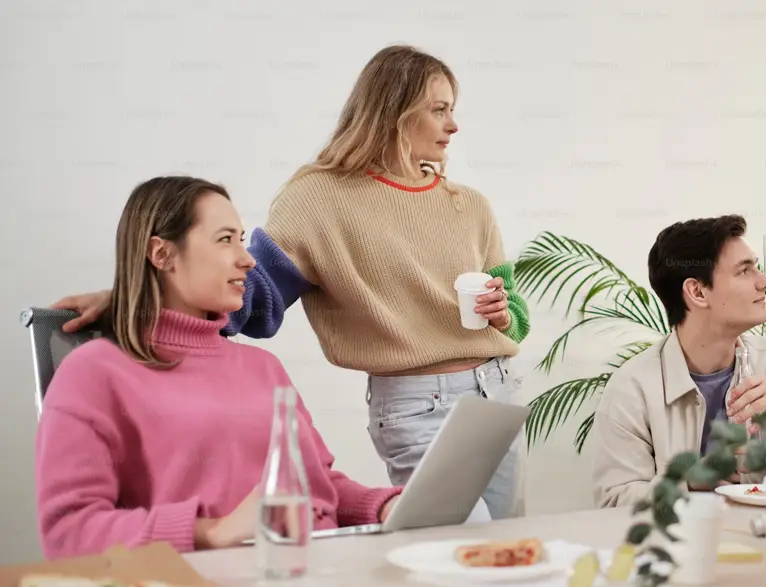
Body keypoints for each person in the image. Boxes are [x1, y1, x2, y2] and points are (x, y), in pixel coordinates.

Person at [49, 45, 530, 520]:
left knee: (508, 547)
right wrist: (138, 297)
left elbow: (516, 318)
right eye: (439, 110)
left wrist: (504, 314)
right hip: (416, 404)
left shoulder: (469, 205)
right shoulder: (318, 199)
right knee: (454, 541)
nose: (453, 125)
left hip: (497, 389)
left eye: (452, 110)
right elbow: (250, 296)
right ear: (395, 111)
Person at [36, 177, 403, 559]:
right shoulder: (93, 372)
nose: (247, 259)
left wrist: (383, 506)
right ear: (161, 254)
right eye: (225, 239)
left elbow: (314, 486)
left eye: (241, 240)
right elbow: (69, 532)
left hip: (316, 568)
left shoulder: (264, 368)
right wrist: (211, 532)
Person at [592, 215, 766, 508]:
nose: (765, 282)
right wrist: (686, 483)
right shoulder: (632, 389)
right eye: (744, 271)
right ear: (698, 292)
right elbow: (612, 502)